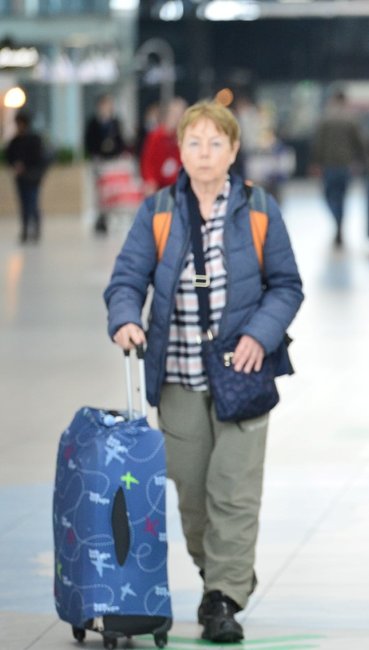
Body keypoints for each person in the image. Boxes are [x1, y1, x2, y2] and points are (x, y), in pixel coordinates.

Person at [104, 100, 303, 643]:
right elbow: (126, 280)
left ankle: (223, 598)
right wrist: (125, 320)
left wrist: (259, 336)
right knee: (192, 494)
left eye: (217, 143)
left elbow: (287, 284)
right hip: (178, 376)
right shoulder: (159, 212)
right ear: (181, 150)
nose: (205, 153)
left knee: (233, 491)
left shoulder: (259, 209)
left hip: (243, 376)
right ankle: (224, 572)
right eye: (195, 142)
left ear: (234, 151)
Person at [309, 90, 369, 248]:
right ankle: (339, 225)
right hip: (346, 165)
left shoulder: (325, 119)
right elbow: (360, 142)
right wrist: (363, 160)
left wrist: (316, 162)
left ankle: (337, 223)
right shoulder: (351, 119)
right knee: (342, 197)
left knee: (329, 196)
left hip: (329, 165)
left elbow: (318, 143)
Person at [85, 93, 130, 234]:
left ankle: (112, 217)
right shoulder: (93, 123)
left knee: (113, 191)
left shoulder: (116, 122)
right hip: (99, 161)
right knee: (100, 192)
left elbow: (122, 140)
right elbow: (88, 142)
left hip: (113, 161)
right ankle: (101, 218)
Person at [4, 111, 48, 244]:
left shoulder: (34, 139)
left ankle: (35, 229)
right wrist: (15, 165)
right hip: (20, 178)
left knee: (33, 203)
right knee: (23, 205)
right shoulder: (14, 141)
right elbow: (9, 157)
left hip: (33, 178)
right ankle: (25, 230)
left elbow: (40, 158)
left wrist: (27, 167)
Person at [140, 97, 187, 196]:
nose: (177, 118)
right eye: (175, 114)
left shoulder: (183, 137)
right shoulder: (156, 136)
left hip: (177, 185)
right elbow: (148, 161)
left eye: (180, 114)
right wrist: (150, 181)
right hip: (158, 185)